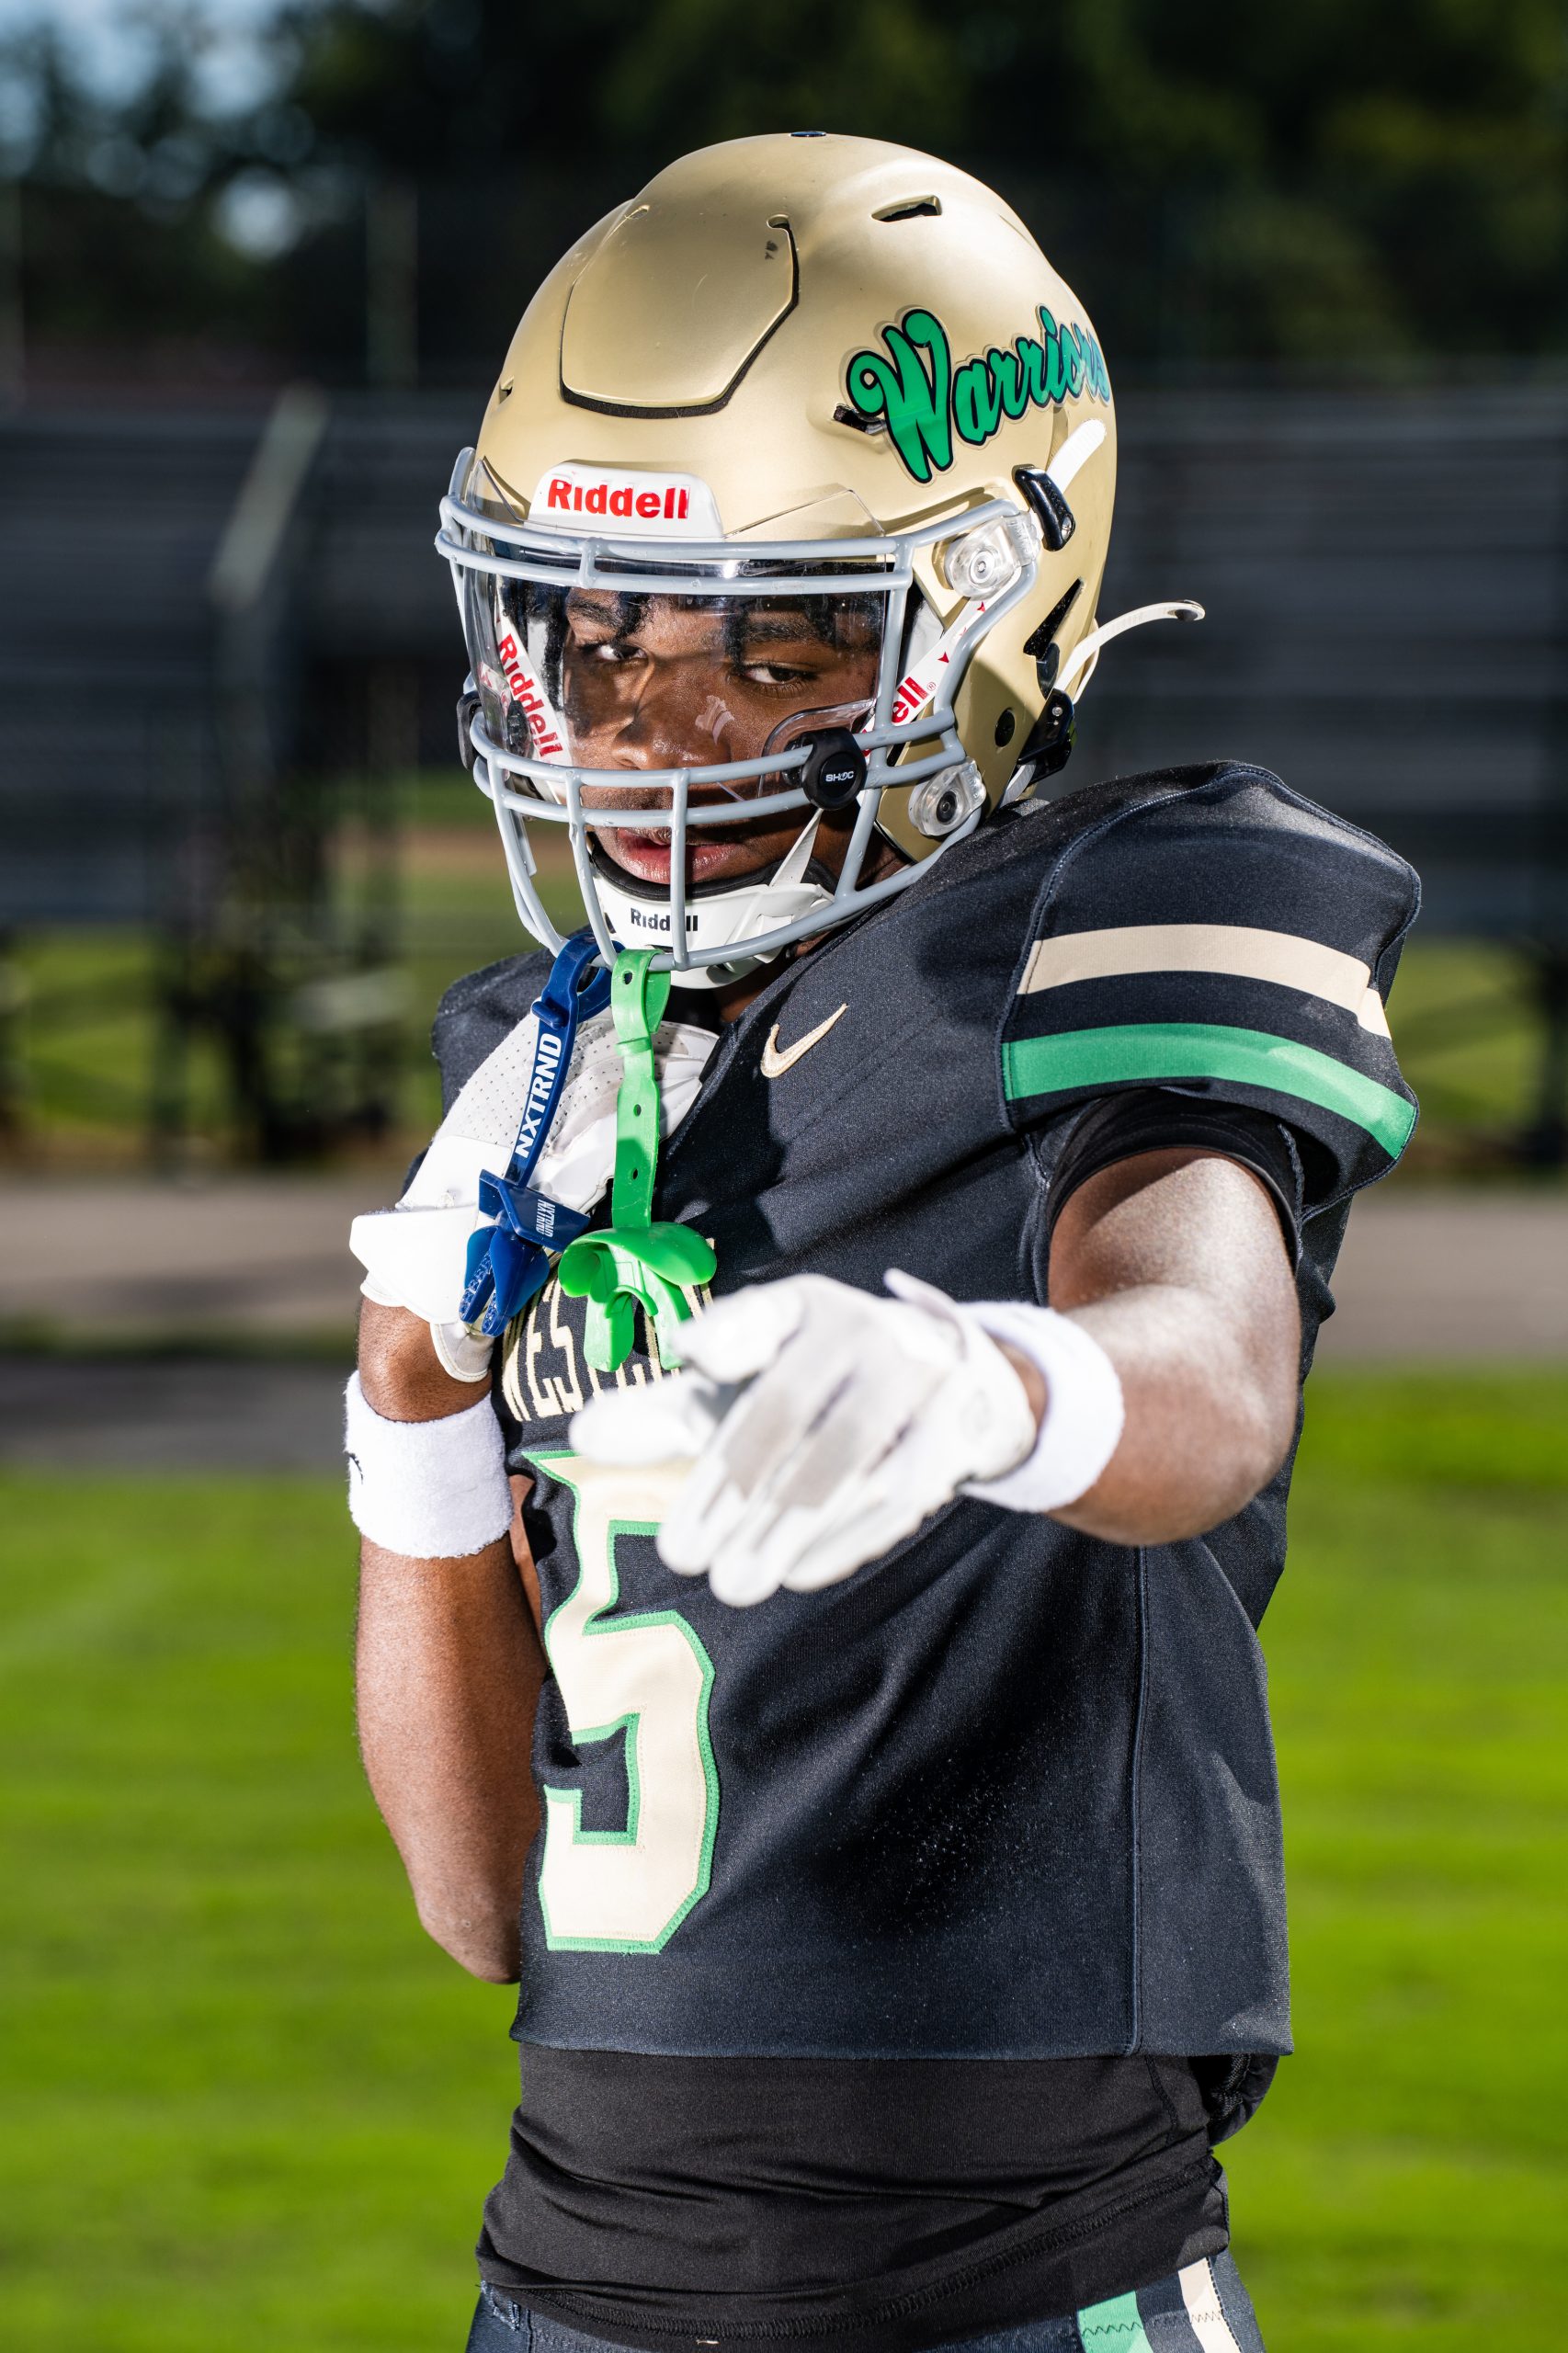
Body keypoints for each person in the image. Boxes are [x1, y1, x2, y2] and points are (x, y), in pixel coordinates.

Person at [347, 134, 1418, 2353]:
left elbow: (1209, 1369)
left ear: (989, 608)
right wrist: (409, 1408)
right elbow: (475, 1895)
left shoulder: (1100, 915)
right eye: (598, 632)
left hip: (1017, 2275)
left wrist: (993, 1380)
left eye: (770, 643)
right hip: (568, 2280)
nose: (651, 724)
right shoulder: (547, 1072)